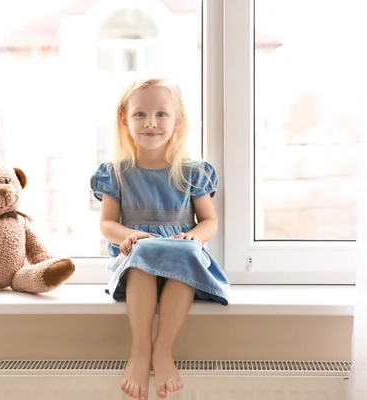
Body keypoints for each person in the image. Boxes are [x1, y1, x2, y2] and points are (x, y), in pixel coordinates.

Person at [90, 78, 230, 400]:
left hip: (181, 258)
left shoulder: (192, 171)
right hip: (136, 258)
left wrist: (193, 237)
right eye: (140, 114)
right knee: (145, 252)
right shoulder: (116, 173)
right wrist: (131, 235)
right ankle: (140, 350)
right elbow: (108, 224)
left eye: (162, 114)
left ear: (177, 120)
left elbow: (209, 221)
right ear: (125, 120)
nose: (151, 123)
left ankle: (162, 350)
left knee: (182, 255)